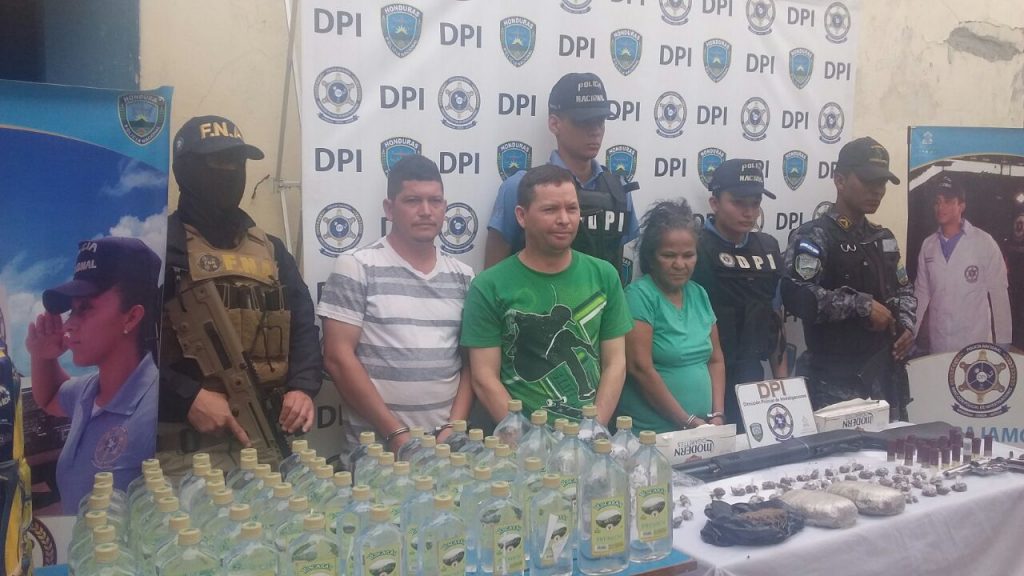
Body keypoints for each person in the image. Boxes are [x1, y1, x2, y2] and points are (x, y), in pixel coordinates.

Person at [158, 115, 322, 472]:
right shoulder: (162, 246)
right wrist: (187, 397)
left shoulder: (271, 249)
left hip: (269, 434)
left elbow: (302, 325)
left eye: (237, 162)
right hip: (188, 453)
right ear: (186, 170)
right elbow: (130, 350)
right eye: (218, 162)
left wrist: (302, 387)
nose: (231, 172)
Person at [318, 155, 474, 456]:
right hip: (376, 454)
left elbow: (471, 364)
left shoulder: (464, 276)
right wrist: (396, 434)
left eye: (435, 201)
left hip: (445, 454)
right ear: (389, 209)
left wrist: (453, 429)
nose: (426, 211)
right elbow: (337, 358)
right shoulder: (357, 266)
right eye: (412, 201)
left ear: (445, 207)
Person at [462, 165, 633, 424]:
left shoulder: (605, 275)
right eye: (550, 209)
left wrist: (592, 430)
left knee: (565, 341)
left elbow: (616, 363)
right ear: (522, 216)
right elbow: (484, 379)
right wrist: (527, 438)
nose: (564, 219)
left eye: (572, 208)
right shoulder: (489, 286)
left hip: (587, 437)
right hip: (520, 432)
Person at [781, 137, 916, 418]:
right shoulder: (815, 235)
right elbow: (797, 294)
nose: (877, 191)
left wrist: (906, 326)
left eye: (882, 183)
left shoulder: (883, 237)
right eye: (868, 181)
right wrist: (860, 305)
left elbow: (904, 290)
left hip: (886, 379)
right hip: (834, 383)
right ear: (840, 180)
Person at [26, 237, 161, 514]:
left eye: (85, 308)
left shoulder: (154, 409)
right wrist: (42, 356)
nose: (69, 325)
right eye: (71, 311)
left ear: (131, 317)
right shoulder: (88, 391)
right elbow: (50, 396)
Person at [484, 72, 640, 280]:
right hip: (533, 299)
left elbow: (614, 262)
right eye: (584, 122)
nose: (595, 131)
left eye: (600, 121)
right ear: (555, 124)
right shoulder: (520, 187)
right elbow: (492, 276)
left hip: (600, 299)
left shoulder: (619, 189)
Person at [690, 159, 786, 431]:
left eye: (755, 203)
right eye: (738, 202)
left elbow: (775, 318)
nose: (749, 212)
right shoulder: (693, 248)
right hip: (703, 375)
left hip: (751, 374)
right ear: (715, 202)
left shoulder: (768, 247)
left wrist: (782, 385)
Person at [617, 200, 726, 433]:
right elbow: (640, 368)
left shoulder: (699, 294)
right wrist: (687, 421)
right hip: (652, 435)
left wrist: (717, 415)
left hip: (702, 431)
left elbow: (715, 360)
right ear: (651, 257)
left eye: (688, 255)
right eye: (669, 255)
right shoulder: (639, 296)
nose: (679, 264)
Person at [914, 175, 1011, 354]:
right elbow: (921, 292)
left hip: (975, 343)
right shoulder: (928, 245)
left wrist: (1004, 340)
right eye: (937, 202)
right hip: (939, 342)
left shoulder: (984, 242)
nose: (941, 207)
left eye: (948, 201)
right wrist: (910, 333)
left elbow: (999, 292)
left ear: (961, 206)